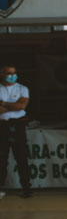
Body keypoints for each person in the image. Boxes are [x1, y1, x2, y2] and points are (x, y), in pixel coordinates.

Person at [0, 65, 32, 199]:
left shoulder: (22, 89)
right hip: (2, 126)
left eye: (14, 73)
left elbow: (22, 106)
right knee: (1, 159)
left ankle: (26, 188)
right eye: (9, 73)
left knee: (21, 157)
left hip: (17, 125)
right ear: (2, 74)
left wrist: (4, 103)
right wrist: (14, 105)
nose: (12, 76)